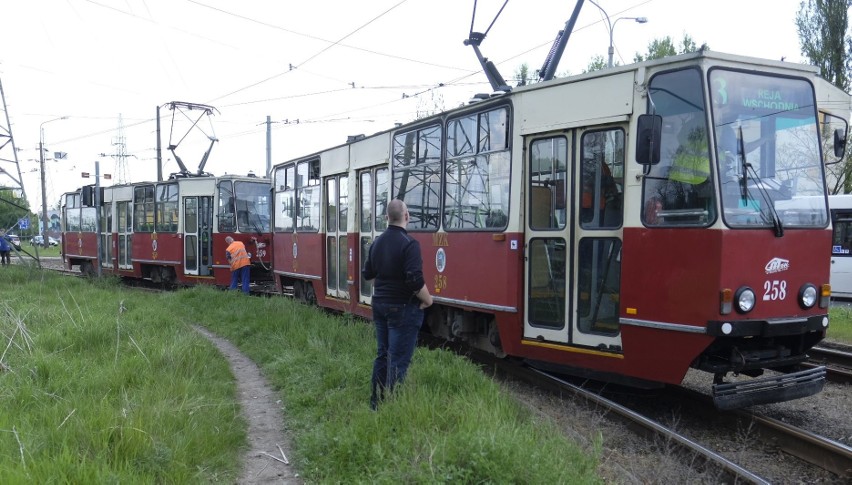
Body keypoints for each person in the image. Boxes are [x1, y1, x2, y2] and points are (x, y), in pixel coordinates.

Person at [362, 199, 433, 410]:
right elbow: (414, 280)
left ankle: (376, 404)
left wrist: (385, 286)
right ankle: (392, 407)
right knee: (399, 360)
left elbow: (368, 274)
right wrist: (428, 300)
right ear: (407, 216)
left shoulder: (376, 243)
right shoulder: (410, 244)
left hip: (380, 305)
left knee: (383, 354)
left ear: (386, 218)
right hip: (402, 308)